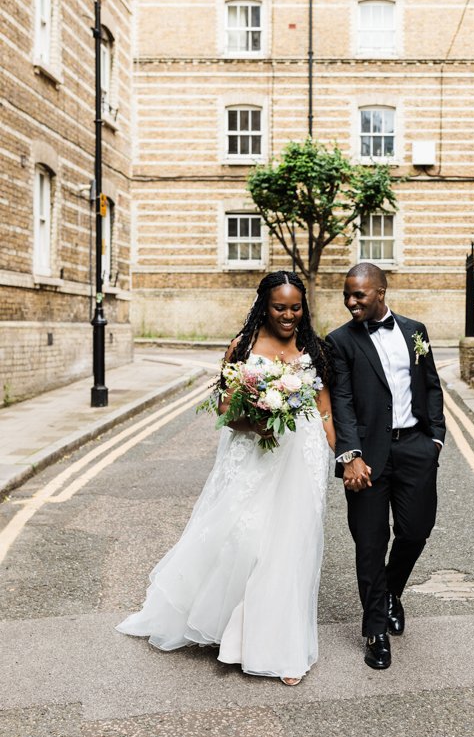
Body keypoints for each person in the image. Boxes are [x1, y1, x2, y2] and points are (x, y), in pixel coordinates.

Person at [117, 271, 335, 686]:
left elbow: (324, 411)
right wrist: (256, 426)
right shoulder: (242, 348)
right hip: (255, 457)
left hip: (301, 460)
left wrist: (340, 455)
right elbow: (223, 410)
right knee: (245, 541)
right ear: (263, 306)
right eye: (279, 307)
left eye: (295, 307)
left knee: (290, 548)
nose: (288, 315)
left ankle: (277, 649)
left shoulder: (315, 351)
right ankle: (228, 628)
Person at [325, 263, 445, 670]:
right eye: (347, 294)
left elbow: (430, 385)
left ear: (381, 292)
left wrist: (435, 440)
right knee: (370, 543)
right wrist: (350, 455)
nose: (350, 301)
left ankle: (393, 591)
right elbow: (340, 400)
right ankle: (375, 629)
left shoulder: (415, 331)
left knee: (416, 530)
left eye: (359, 294)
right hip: (367, 457)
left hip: (414, 446)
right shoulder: (338, 341)